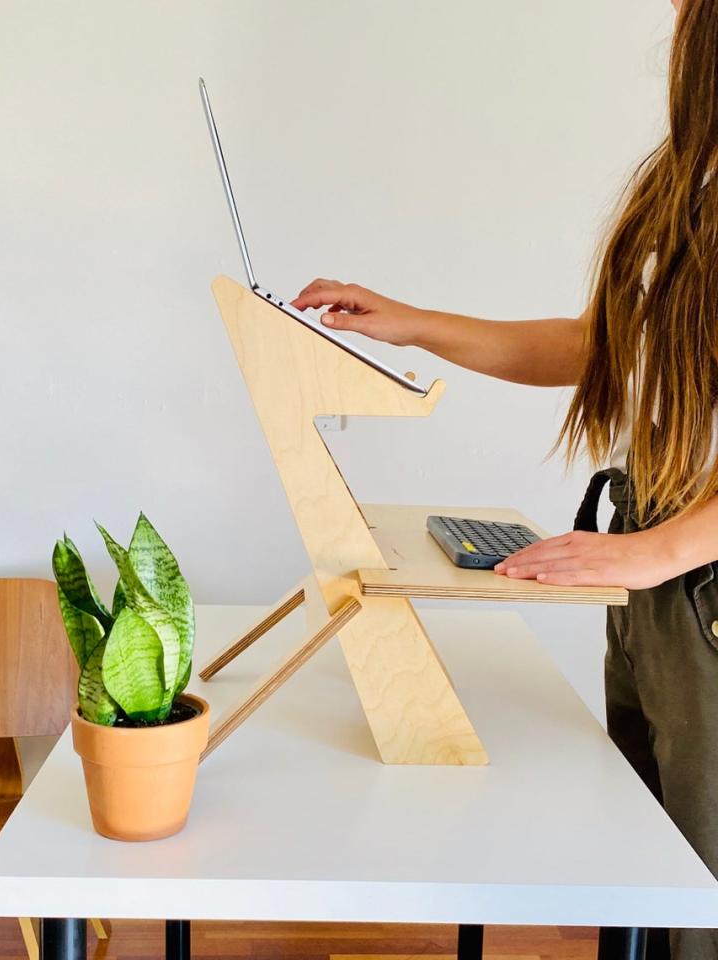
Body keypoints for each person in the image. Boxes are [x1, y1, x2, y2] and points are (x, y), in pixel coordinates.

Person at [293, 1, 717, 958]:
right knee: (642, 880)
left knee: (695, 897)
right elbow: (604, 347)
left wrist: (655, 552)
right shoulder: (686, 185)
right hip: (658, 577)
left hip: (687, 577)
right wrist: (412, 322)